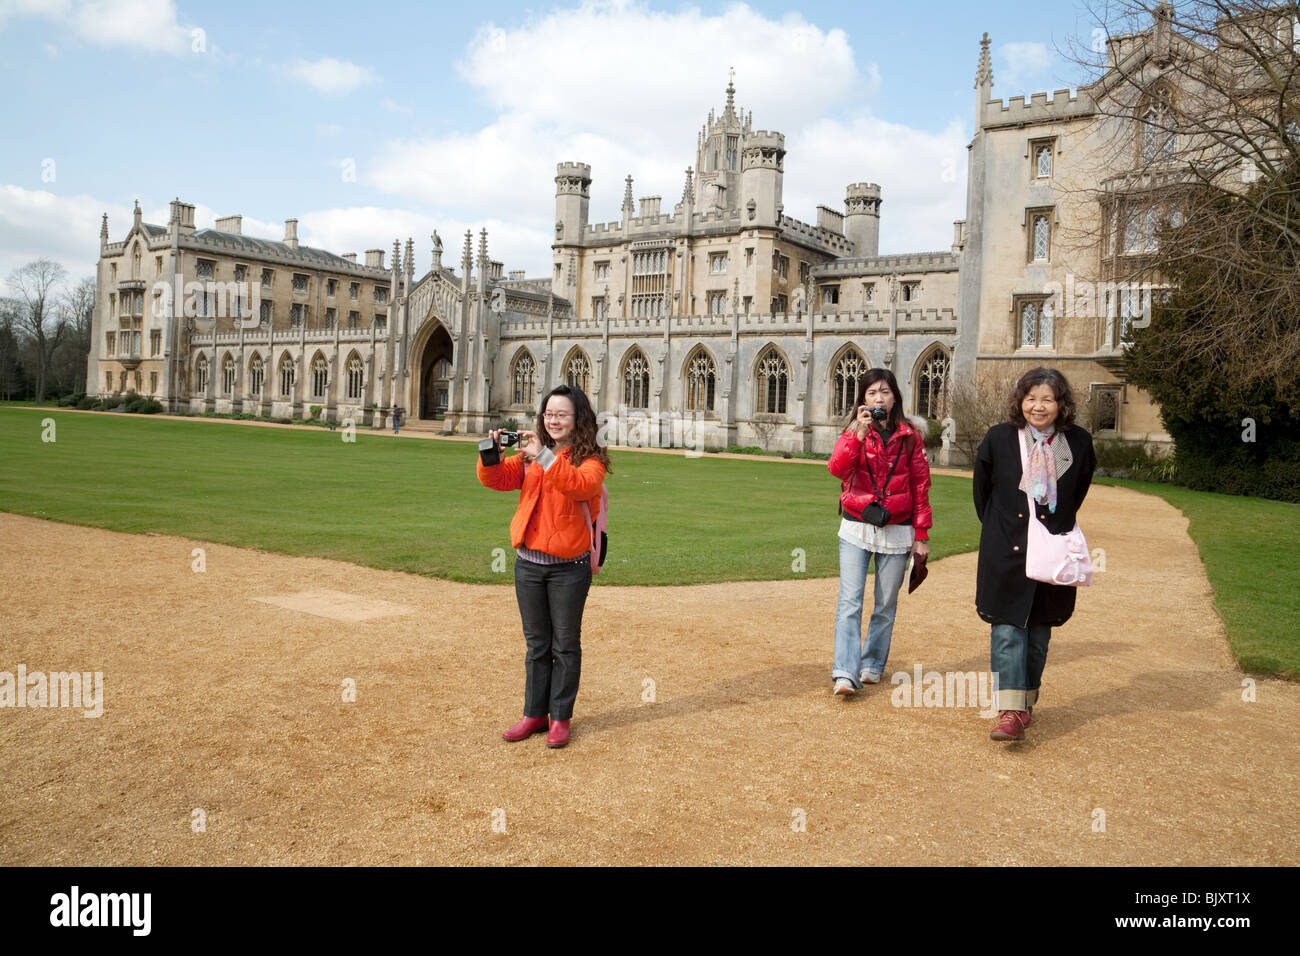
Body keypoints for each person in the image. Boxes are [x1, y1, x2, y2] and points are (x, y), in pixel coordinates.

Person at [476, 385, 611, 748]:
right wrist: (492, 455)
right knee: (537, 645)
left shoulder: (590, 459)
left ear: (578, 418)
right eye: (549, 413)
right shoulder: (533, 456)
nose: (553, 420)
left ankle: (560, 718)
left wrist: (543, 457)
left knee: (564, 645)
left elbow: (580, 486)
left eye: (561, 414)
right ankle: (534, 715)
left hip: (569, 568)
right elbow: (498, 481)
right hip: (529, 566)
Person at [973, 367, 1096, 742]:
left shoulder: (1075, 442)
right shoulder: (1000, 438)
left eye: (1047, 399)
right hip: (1007, 547)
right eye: (1030, 398)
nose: (1037, 406)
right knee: (1008, 627)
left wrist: (1049, 529)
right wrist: (1003, 530)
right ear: (1019, 401)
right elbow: (983, 494)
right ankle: (1010, 711)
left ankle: (1026, 703)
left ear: (1061, 404)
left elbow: (1076, 493)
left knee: (1039, 631)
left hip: (1053, 549)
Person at [827, 368, 932, 695]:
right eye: (872, 393)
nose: (878, 398)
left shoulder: (911, 434)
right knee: (850, 601)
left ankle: (872, 663)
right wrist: (858, 434)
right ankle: (845, 671)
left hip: (897, 529)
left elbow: (920, 484)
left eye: (884, 392)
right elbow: (837, 469)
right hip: (857, 526)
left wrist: (922, 535)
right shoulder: (853, 432)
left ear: (895, 397)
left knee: (885, 603)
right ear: (862, 399)